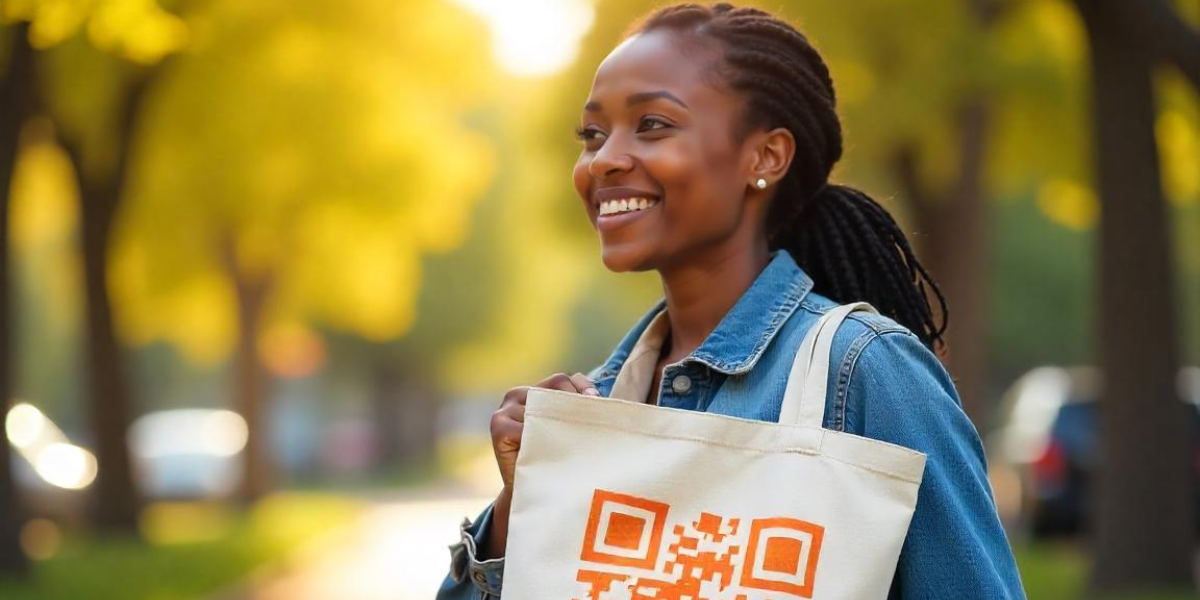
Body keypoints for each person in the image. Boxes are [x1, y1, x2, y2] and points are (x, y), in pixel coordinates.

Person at [437, 3, 1025, 598]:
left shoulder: (867, 373)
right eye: (592, 134)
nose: (605, 158)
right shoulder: (600, 402)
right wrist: (518, 508)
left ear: (765, 157)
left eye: (653, 124)